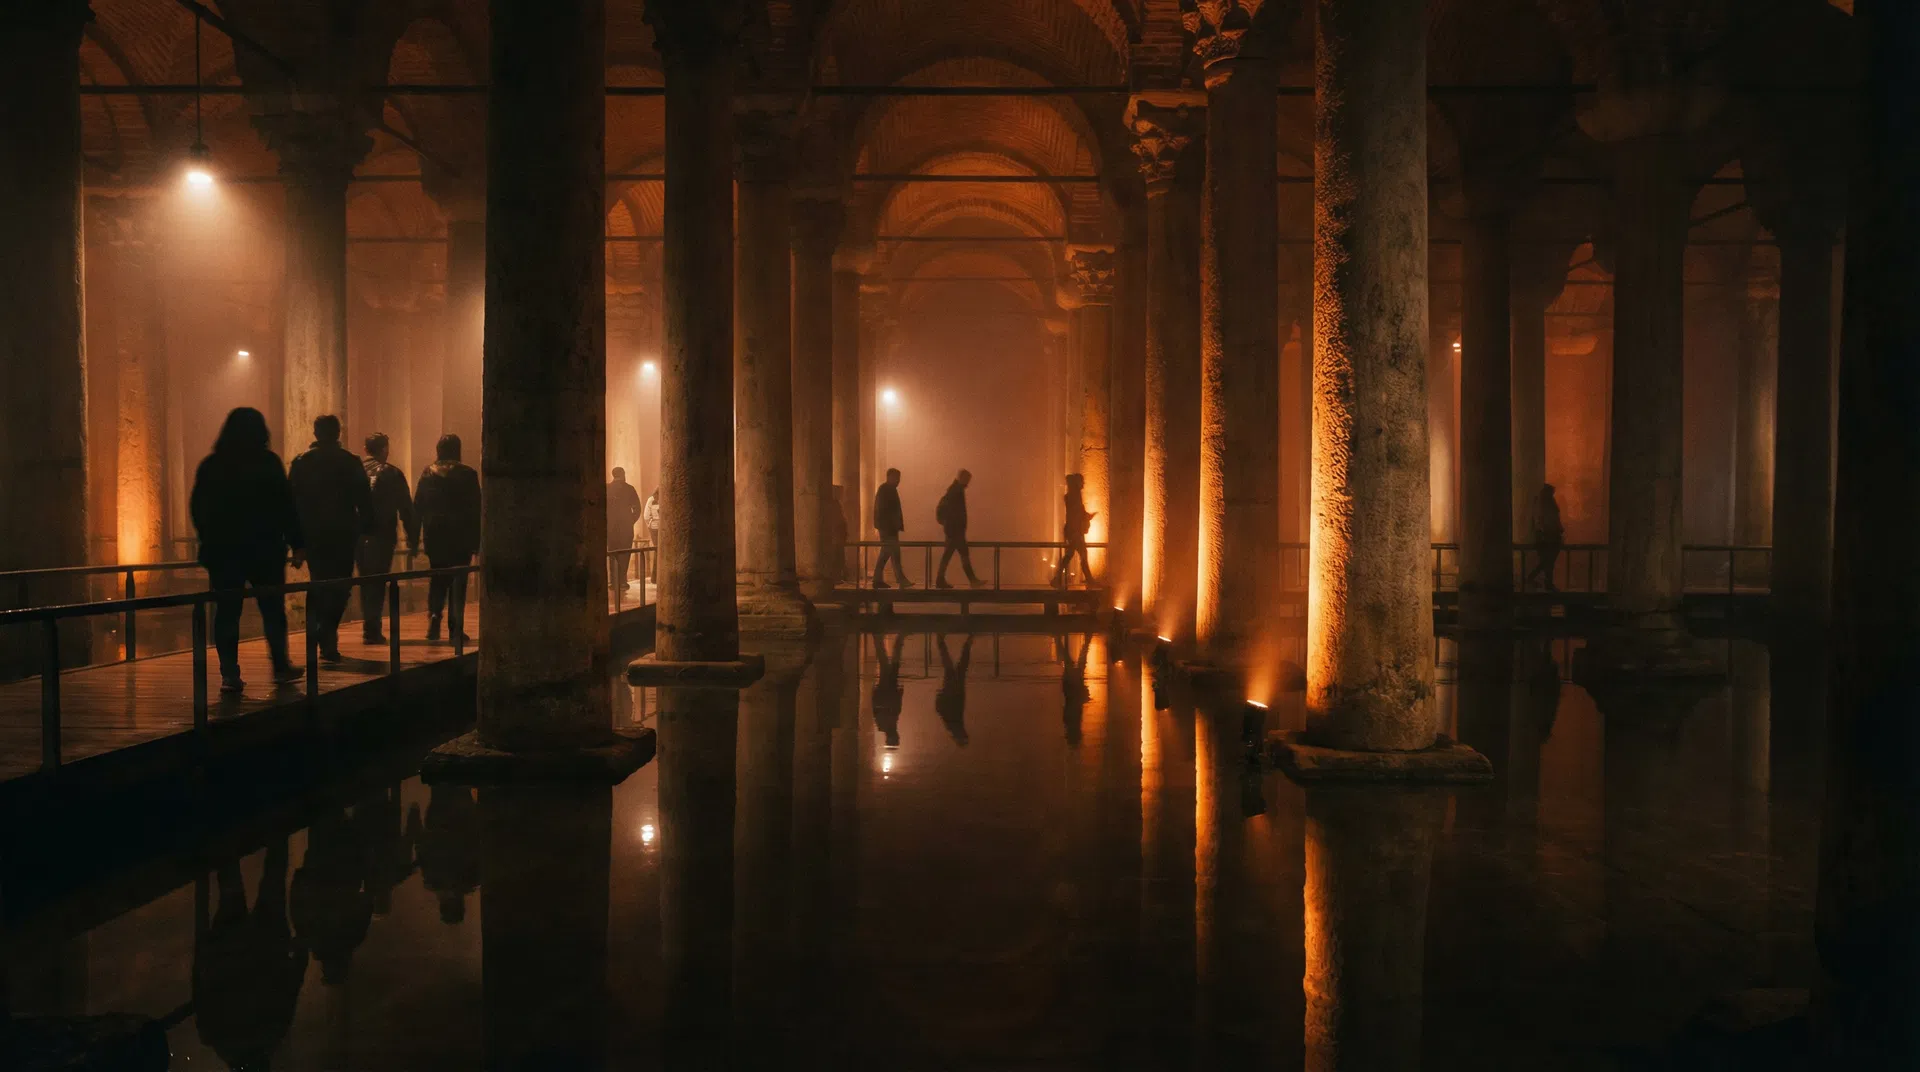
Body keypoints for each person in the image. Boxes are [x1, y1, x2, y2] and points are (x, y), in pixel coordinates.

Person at [189, 407, 304, 694]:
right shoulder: (268, 464)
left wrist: (208, 539)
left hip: (225, 552)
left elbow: (198, 508)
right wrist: (298, 543)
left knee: (227, 612)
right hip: (265, 549)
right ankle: (280, 666)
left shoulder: (212, 465)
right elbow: (285, 506)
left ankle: (229, 673)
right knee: (273, 609)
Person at [289, 414, 371, 664]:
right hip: (343, 535)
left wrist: (296, 542)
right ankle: (329, 632)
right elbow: (364, 501)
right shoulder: (351, 462)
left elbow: (290, 504)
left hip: (313, 535)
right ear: (338, 433)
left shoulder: (301, 463)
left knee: (317, 583)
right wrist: (367, 531)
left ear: (315, 433)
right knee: (341, 586)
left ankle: (317, 632)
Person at [416, 433, 482, 643]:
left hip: (435, 536)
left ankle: (435, 617)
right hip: (460, 537)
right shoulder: (468, 474)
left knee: (437, 579)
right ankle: (455, 629)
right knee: (458, 582)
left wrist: (414, 536)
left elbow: (418, 506)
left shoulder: (427, 473)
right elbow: (477, 509)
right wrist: (477, 540)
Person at [358, 432, 418, 644]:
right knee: (377, 582)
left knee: (364, 582)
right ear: (384, 449)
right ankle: (372, 630)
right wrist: (413, 538)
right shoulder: (392, 473)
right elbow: (406, 510)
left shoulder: (355, 470)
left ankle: (367, 626)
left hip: (357, 537)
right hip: (382, 536)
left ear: (366, 450)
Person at [934, 469, 984, 589]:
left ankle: (941, 579)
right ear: (962, 478)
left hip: (953, 530)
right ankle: (971, 580)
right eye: (967, 480)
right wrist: (955, 526)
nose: (968, 483)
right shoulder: (956, 491)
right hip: (955, 531)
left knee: (954, 555)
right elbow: (955, 512)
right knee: (960, 555)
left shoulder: (954, 489)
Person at [1051, 473, 1096, 588]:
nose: (1083, 484)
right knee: (1081, 555)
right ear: (1077, 483)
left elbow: (1076, 514)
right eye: (1082, 482)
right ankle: (1089, 579)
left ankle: (1057, 578)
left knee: (1070, 555)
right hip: (1075, 531)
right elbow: (1076, 515)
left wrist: (1086, 516)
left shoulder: (1071, 496)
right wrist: (1087, 517)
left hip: (1072, 531)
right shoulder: (1075, 497)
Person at [871, 468, 913, 589]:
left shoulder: (887, 489)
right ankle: (884, 579)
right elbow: (885, 510)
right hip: (888, 528)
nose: (898, 481)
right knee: (889, 553)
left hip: (888, 527)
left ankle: (892, 579)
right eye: (897, 478)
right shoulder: (886, 490)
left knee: (891, 553)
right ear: (890, 477)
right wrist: (892, 524)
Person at [607, 467, 643, 592]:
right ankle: (622, 581)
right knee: (625, 554)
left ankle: (612, 581)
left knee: (612, 554)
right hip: (626, 528)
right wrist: (630, 521)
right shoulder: (629, 489)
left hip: (610, 528)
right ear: (623, 474)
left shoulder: (606, 488)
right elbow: (637, 509)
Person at [1524, 482, 1564, 592]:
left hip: (1548, 536)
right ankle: (1539, 580)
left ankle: (1539, 580)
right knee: (1548, 561)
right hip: (1550, 537)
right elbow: (1550, 520)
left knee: (1547, 561)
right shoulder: (1547, 504)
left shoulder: (1542, 503)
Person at [934, 633, 972, 746]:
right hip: (954, 692)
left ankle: (967, 642)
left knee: (955, 666)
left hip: (953, 692)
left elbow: (941, 709)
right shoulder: (954, 725)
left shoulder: (953, 725)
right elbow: (940, 709)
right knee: (953, 665)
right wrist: (940, 695)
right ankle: (941, 641)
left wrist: (941, 695)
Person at [871, 630, 905, 748]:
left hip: (887, 688)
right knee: (886, 661)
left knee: (888, 661)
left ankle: (880, 637)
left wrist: (899, 694)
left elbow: (893, 707)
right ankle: (879, 638)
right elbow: (878, 706)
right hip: (887, 688)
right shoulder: (885, 724)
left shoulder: (885, 724)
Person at [642, 486, 663, 582]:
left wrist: (650, 524)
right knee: (660, 551)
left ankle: (655, 577)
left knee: (657, 551)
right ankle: (657, 577)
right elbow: (646, 516)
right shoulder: (655, 499)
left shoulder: (652, 499)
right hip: (659, 528)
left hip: (655, 528)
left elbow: (646, 516)